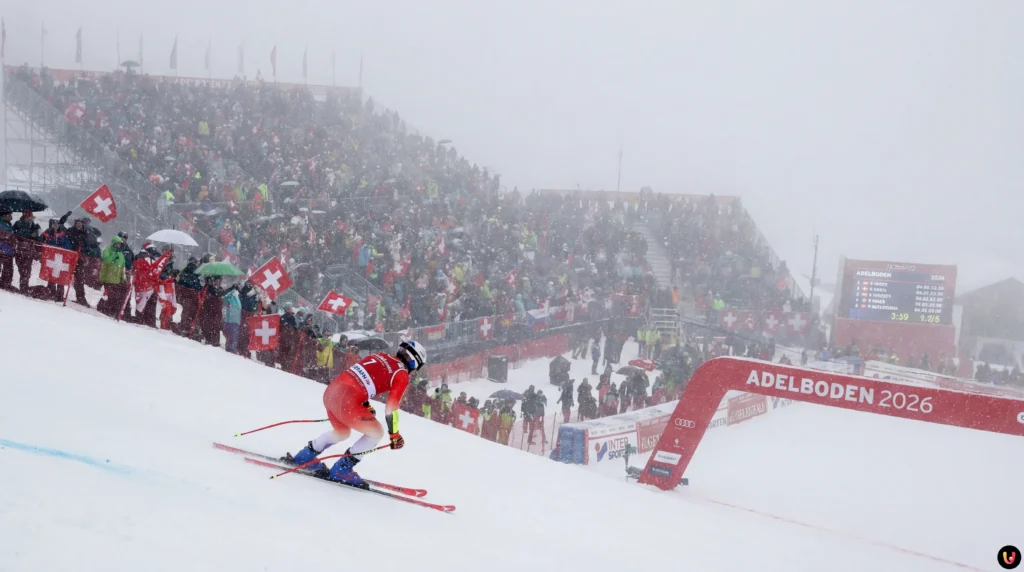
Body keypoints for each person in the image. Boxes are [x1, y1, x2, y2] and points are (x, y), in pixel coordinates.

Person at [284, 341, 427, 488]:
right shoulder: (402, 374)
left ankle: (305, 456)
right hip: (347, 402)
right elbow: (391, 408)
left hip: (331, 393)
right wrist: (394, 434)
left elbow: (360, 378)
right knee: (376, 433)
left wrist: (365, 405)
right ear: (414, 362)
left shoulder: (380, 356)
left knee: (342, 432)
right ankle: (342, 469)